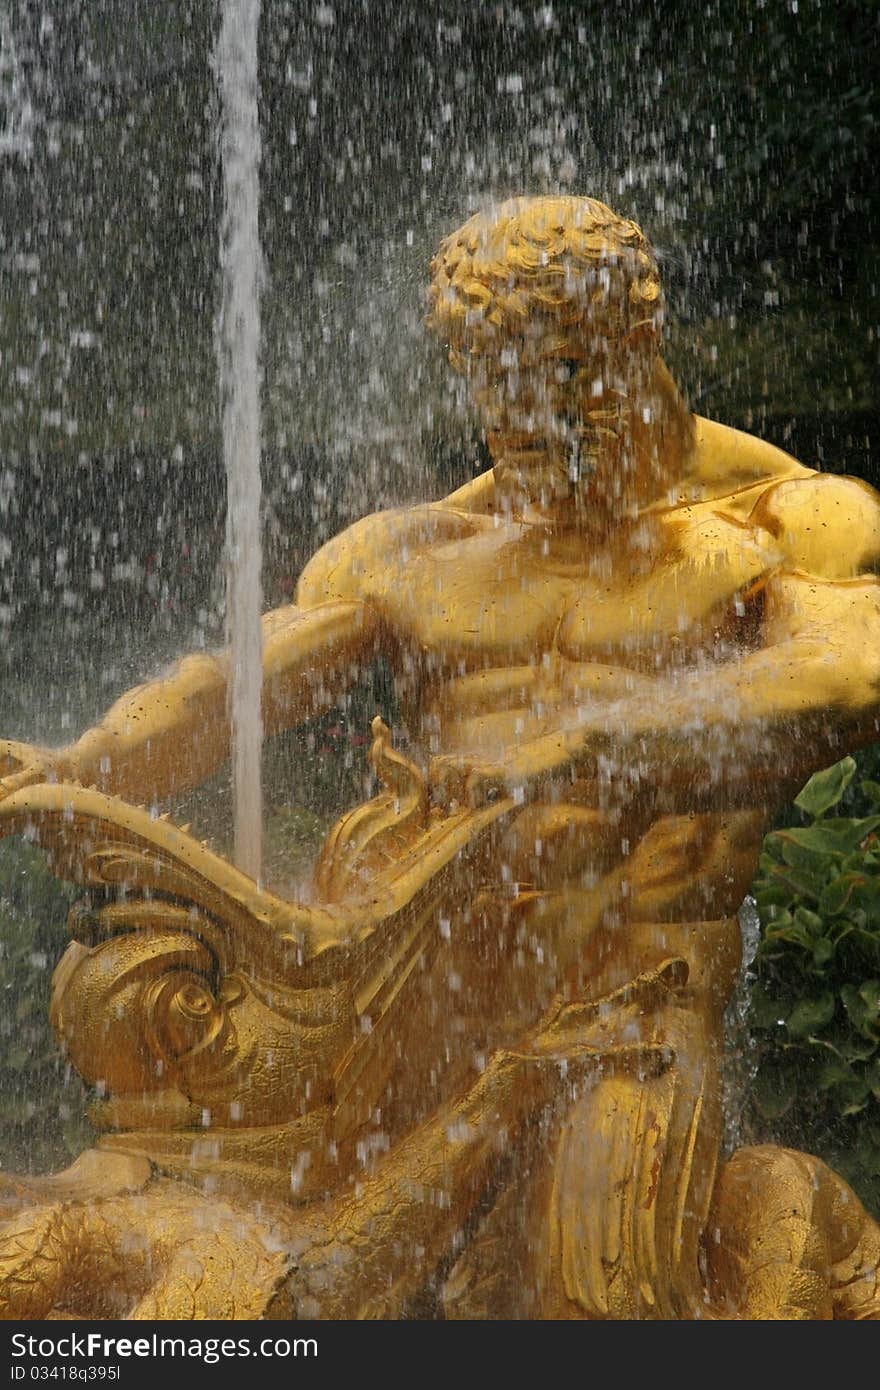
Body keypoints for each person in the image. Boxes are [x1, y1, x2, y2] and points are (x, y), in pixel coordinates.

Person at [2, 196, 879, 1319]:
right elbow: (226, 687)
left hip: (628, 1007)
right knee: (205, 1262)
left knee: (588, 1300)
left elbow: (848, 675)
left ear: (630, 344)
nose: (517, 415)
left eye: (556, 372)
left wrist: (596, 745)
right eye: (487, 379)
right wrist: (73, 760)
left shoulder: (777, 531)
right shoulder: (417, 554)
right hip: (400, 997)